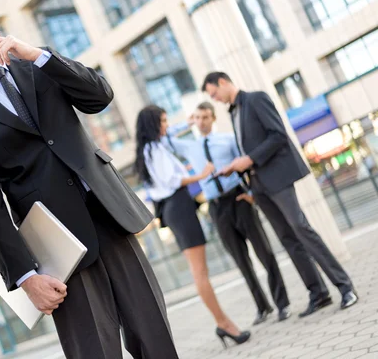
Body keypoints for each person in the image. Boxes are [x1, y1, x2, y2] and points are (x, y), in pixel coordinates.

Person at [0, 0, 179, 358]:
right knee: (94, 350)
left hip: (108, 215)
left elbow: (99, 96)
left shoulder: (36, 64)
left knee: (155, 336)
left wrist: (36, 55)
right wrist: (25, 276)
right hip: (58, 247)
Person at [202, 71, 358, 316]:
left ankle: (345, 286)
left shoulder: (256, 99)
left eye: (214, 94)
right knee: (287, 238)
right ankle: (318, 294)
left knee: (301, 228)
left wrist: (249, 159)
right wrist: (237, 166)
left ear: (222, 82)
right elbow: (249, 147)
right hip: (258, 184)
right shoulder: (235, 113)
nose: (216, 100)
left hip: (277, 177)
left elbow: (278, 135)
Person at [135, 105, 250, 348]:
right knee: (200, 271)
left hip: (178, 207)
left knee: (201, 271)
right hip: (177, 205)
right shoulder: (153, 149)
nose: (167, 125)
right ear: (153, 124)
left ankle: (223, 322)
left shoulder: (153, 146)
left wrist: (187, 124)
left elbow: (171, 134)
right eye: (163, 121)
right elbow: (172, 180)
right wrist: (202, 174)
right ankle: (223, 323)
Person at [167, 102, 291, 324]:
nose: (201, 121)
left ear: (213, 119)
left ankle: (282, 304)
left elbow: (246, 167)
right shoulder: (189, 147)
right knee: (240, 260)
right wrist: (185, 123)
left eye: (205, 117)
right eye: (197, 117)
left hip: (239, 198)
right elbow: (164, 139)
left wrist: (251, 193)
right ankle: (262, 307)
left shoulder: (228, 139)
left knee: (265, 253)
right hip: (216, 206)